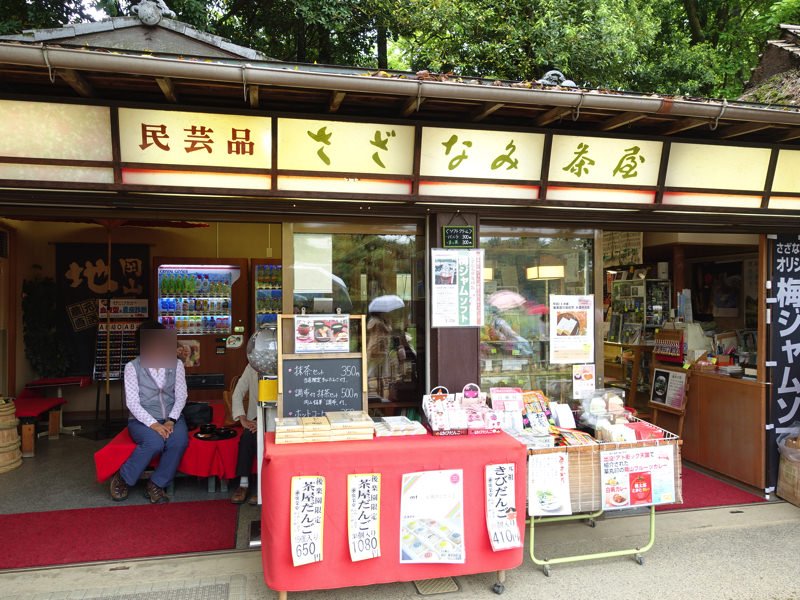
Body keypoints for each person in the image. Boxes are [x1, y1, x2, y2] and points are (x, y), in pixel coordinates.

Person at [109, 321, 189, 503]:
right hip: (142, 419)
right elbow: (132, 403)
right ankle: (123, 477)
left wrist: (170, 421)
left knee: (179, 441)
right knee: (154, 443)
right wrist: (154, 424)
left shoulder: (176, 364)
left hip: (172, 416)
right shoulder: (132, 367)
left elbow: (181, 396)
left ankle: (156, 483)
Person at [230, 362, 260, 504]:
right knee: (247, 437)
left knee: (268, 442)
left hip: (279, 417)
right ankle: (243, 484)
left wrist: (264, 424)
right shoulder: (252, 365)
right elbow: (237, 393)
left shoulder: (284, 362)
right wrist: (242, 418)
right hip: (256, 416)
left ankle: (263, 487)